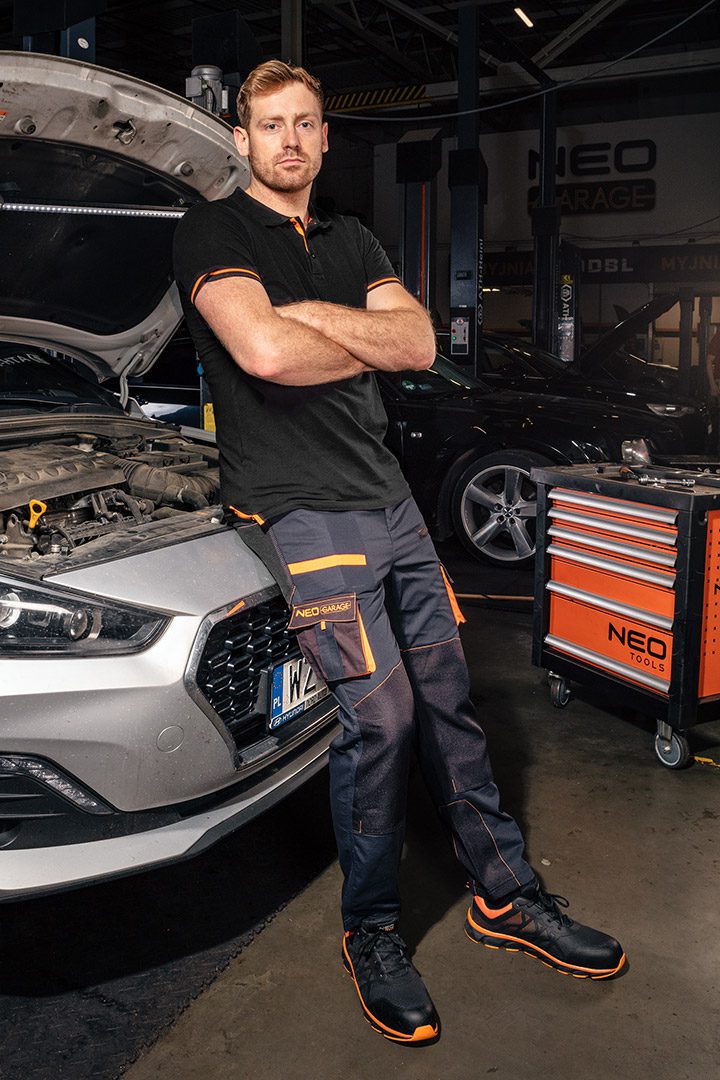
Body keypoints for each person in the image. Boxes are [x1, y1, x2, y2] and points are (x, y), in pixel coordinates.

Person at [173, 60, 626, 1046]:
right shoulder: (215, 232)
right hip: (302, 509)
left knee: (449, 700)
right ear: (242, 140)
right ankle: (372, 930)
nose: (290, 140)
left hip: (390, 502)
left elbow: (417, 345)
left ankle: (505, 894)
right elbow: (263, 354)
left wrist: (313, 319)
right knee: (382, 716)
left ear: (326, 137)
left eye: (306, 122)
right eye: (270, 125)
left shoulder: (353, 237)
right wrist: (350, 336)